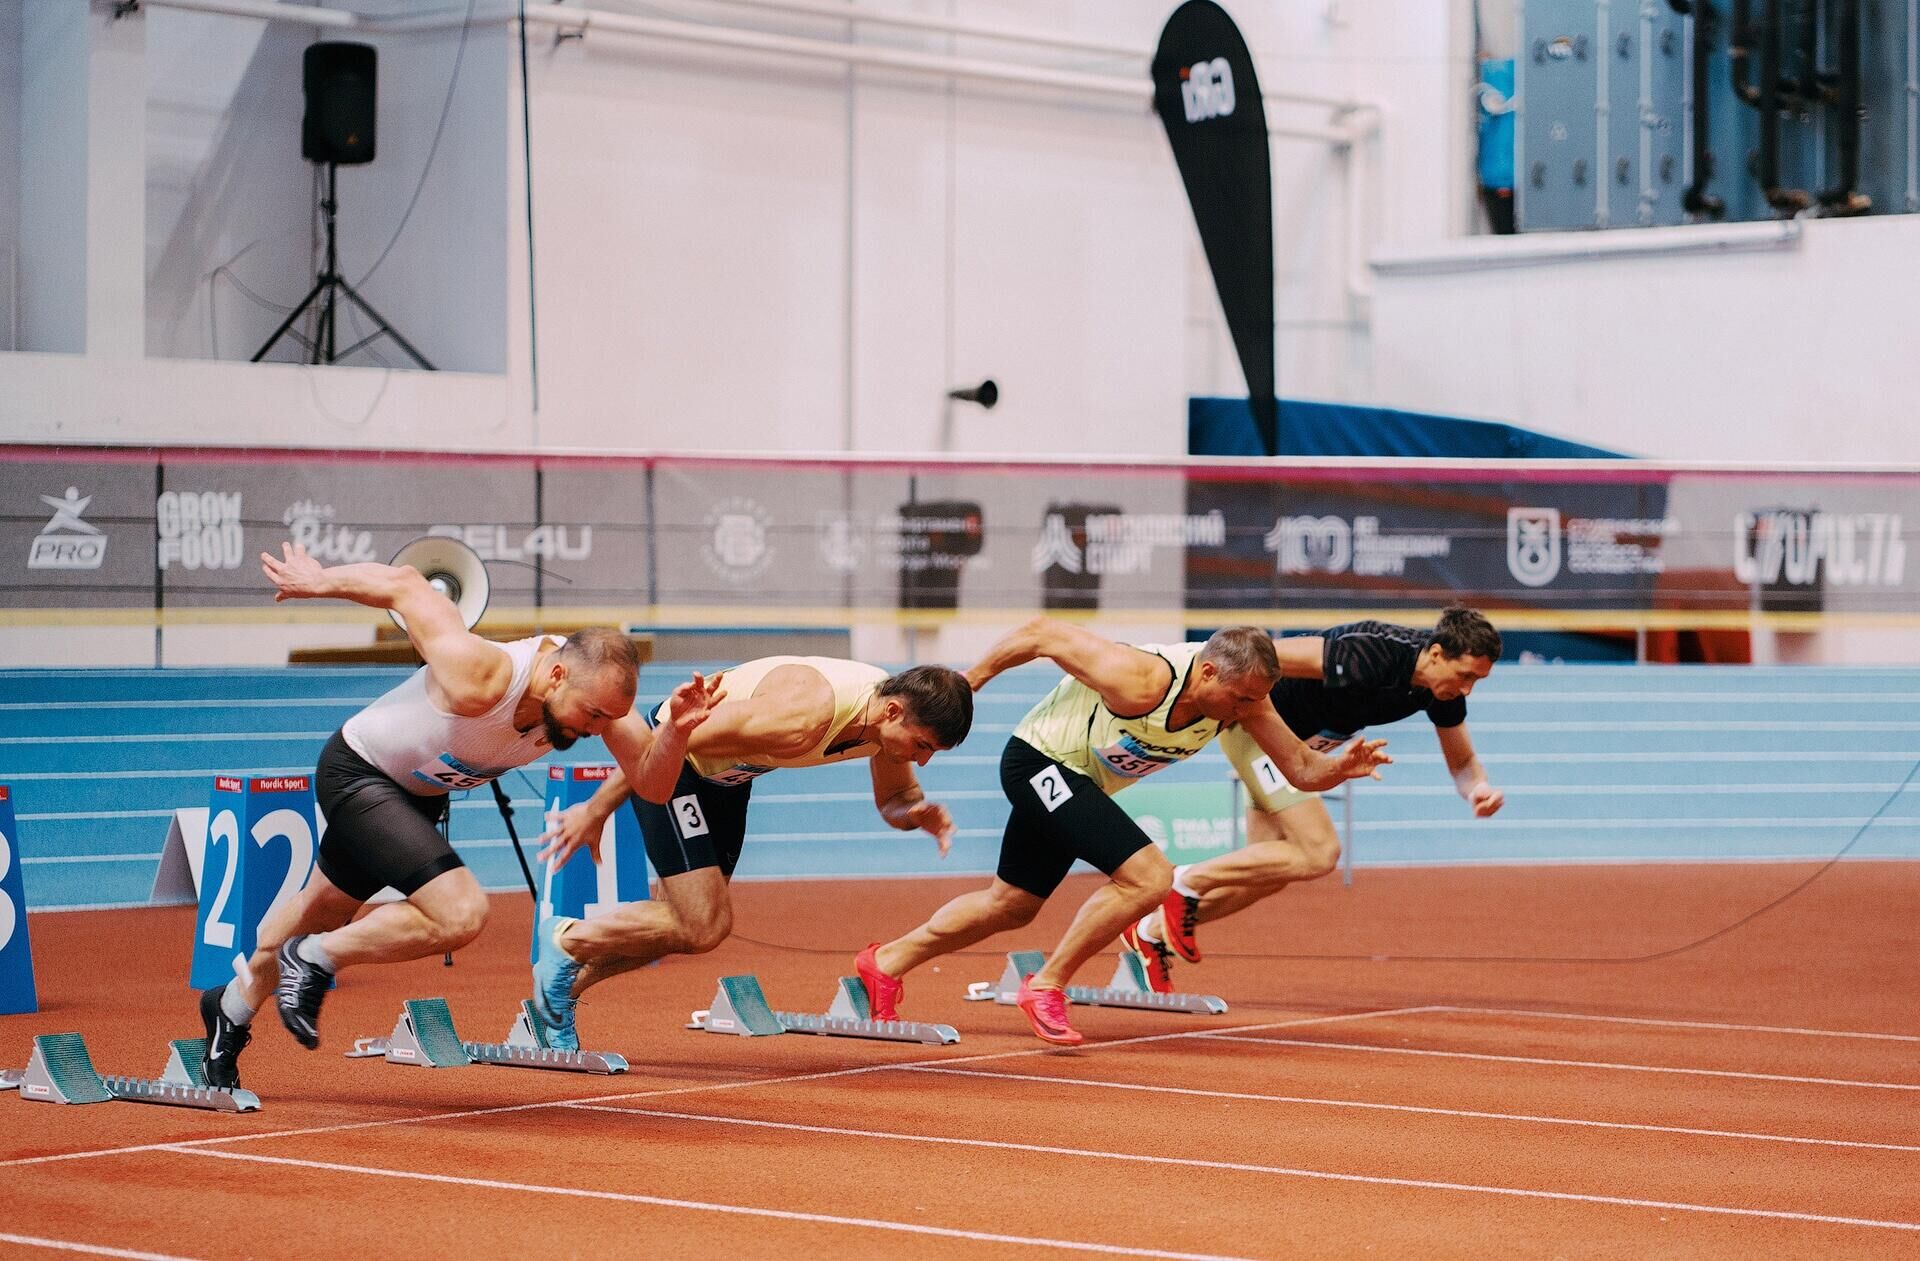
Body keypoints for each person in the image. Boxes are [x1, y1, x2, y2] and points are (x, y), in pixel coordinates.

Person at [195, 541, 648, 1089]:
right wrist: (320, 581)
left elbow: (653, 775)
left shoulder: (593, 704)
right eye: (593, 715)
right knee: (461, 914)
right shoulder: (481, 673)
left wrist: (682, 728)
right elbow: (407, 584)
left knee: (319, 908)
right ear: (555, 676)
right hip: (359, 771)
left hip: (417, 795)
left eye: (609, 719)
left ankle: (231, 1010)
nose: (599, 730)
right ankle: (313, 958)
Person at [854, 619, 1391, 1046]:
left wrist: (1341, 768)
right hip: (1039, 762)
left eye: (1256, 700)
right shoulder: (1140, 678)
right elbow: (1043, 633)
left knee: (1011, 904)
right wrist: (971, 680)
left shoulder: (1246, 702)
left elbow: (1300, 768)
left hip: (1080, 781)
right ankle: (1045, 985)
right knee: (1149, 877)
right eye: (1242, 700)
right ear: (1206, 674)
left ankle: (886, 963)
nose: (1249, 711)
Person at [529, 655, 974, 1049]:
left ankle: (557, 998)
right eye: (922, 746)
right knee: (703, 924)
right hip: (676, 765)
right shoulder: (801, 716)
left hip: (728, 783)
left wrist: (917, 813)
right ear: (894, 710)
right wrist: (596, 810)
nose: (922, 761)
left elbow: (895, 799)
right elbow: (664, 744)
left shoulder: (884, 717)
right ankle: (565, 940)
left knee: (683, 929)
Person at [1121, 607, 1503, 990]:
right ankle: (1184, 880)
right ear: (1436, 654)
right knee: (1320, 851)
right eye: (1465, 675)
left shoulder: (1442, 692)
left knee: (1264, 876)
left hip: (1300, 756)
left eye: (1478, 681)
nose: (1467, 688)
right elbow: (1265, 654)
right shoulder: (1371, 652)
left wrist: (1478, 789)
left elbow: (1464, 762)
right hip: (1262, 737)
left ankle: (1149, 933)